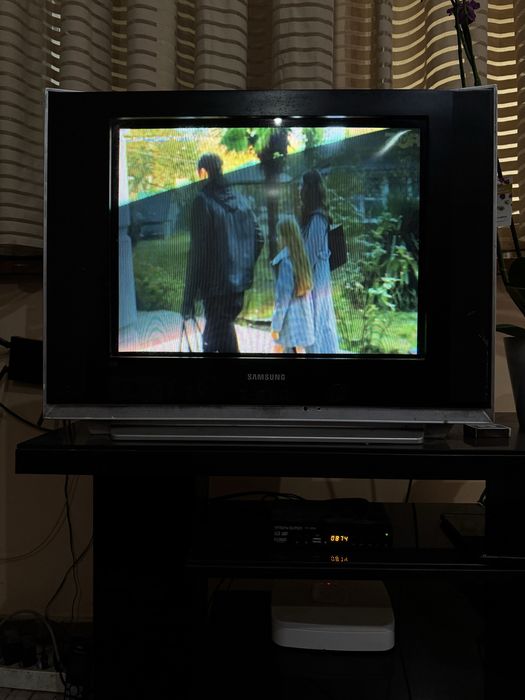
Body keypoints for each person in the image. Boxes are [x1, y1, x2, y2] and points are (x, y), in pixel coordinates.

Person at [182, 153, 264, 353]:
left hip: (216, 290)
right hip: (237, 289)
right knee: (221, 336)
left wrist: (188, 297)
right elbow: (259, 238)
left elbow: (198, 253)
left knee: (214, 340)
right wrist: (241, 268)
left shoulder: (202, 201)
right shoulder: (240, 198)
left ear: (203, 172)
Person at [299, 168, 339, 353]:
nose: (299, 189)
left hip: (315, 278)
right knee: (320, 321)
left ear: (309, 189)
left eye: (302, 185)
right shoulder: (312, 218)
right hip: (315, 277)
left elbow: (309, 255)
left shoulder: (317, 219)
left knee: (318, 323)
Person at [271, 215, 315, 353]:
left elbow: (283, 299)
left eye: (279, 235)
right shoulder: (301, 259)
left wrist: (276, 326)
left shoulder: (285, 262)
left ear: (286, 237)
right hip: (302, 321)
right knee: (299, 351)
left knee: (278, 349)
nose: (277, 239)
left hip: (288, 322)